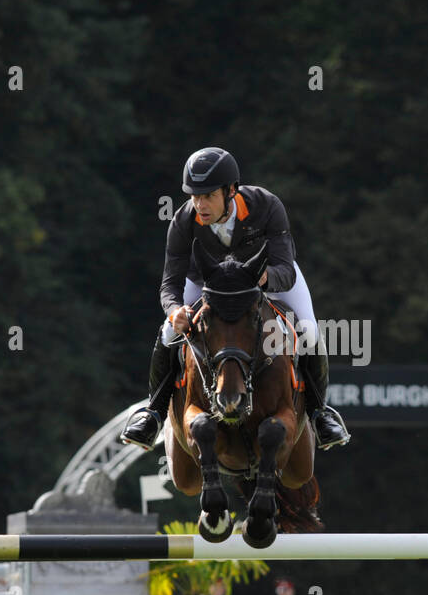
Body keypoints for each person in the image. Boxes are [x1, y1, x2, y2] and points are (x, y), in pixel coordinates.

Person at [120, 147, 350, 451]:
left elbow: (285, 269)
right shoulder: (183, 221)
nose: (199, 205)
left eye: (208, 196)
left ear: (231, 191)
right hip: (207, 283)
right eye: (194, 196)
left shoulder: (266, 206)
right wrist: (175, 310)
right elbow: (170, 282)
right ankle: (153, 413)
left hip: (266, 278)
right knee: (168, 332)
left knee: (307, 330)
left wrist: (265, 277)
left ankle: (321, 413)